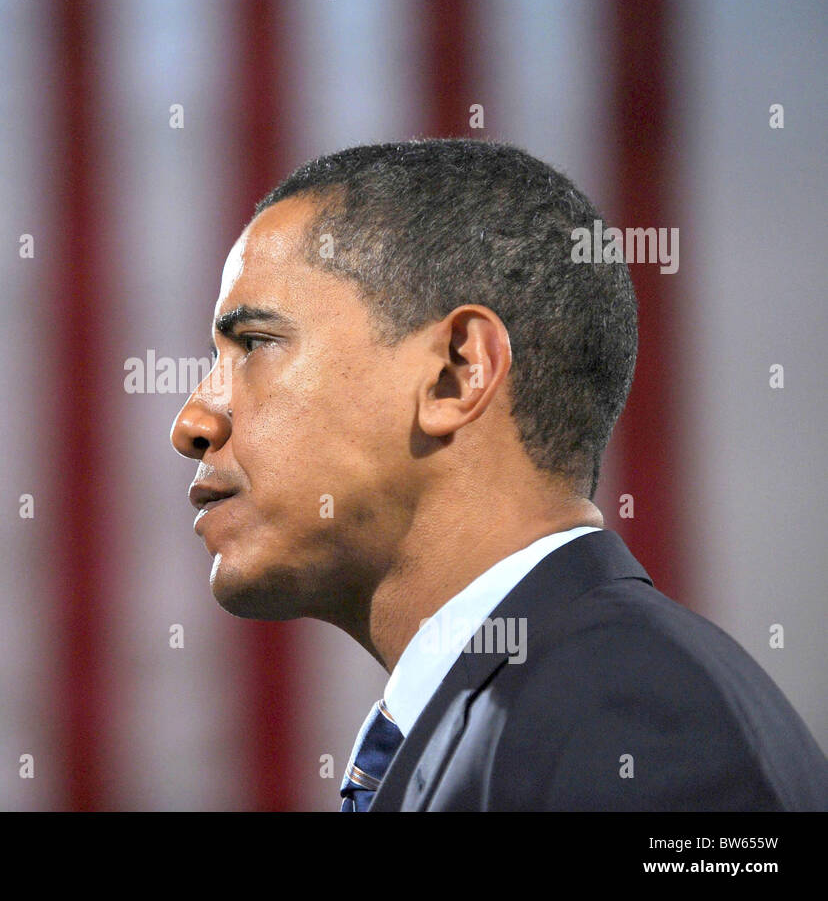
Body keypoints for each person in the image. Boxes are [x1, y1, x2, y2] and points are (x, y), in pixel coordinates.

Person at [169, 139, 828, 811]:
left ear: (456, 372)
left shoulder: (624, 723)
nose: (192, 421)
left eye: (253, 344)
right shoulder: (558, 702)